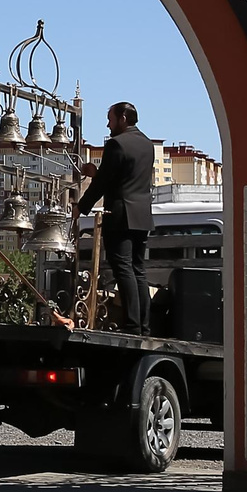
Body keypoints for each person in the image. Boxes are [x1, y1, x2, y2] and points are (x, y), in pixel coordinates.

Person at [74, 101, 157, 332]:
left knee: (123, 268)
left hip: (121, 215)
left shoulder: (116, 144)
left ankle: (131, 325)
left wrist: (81, 207)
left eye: (110, 118)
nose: (107, 124)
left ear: (122, 118)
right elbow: (124, 178)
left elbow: (104, 183)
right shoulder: (147, 145)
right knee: (139, 270)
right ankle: (143, 325)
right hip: (142, 215)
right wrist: (98, 174)